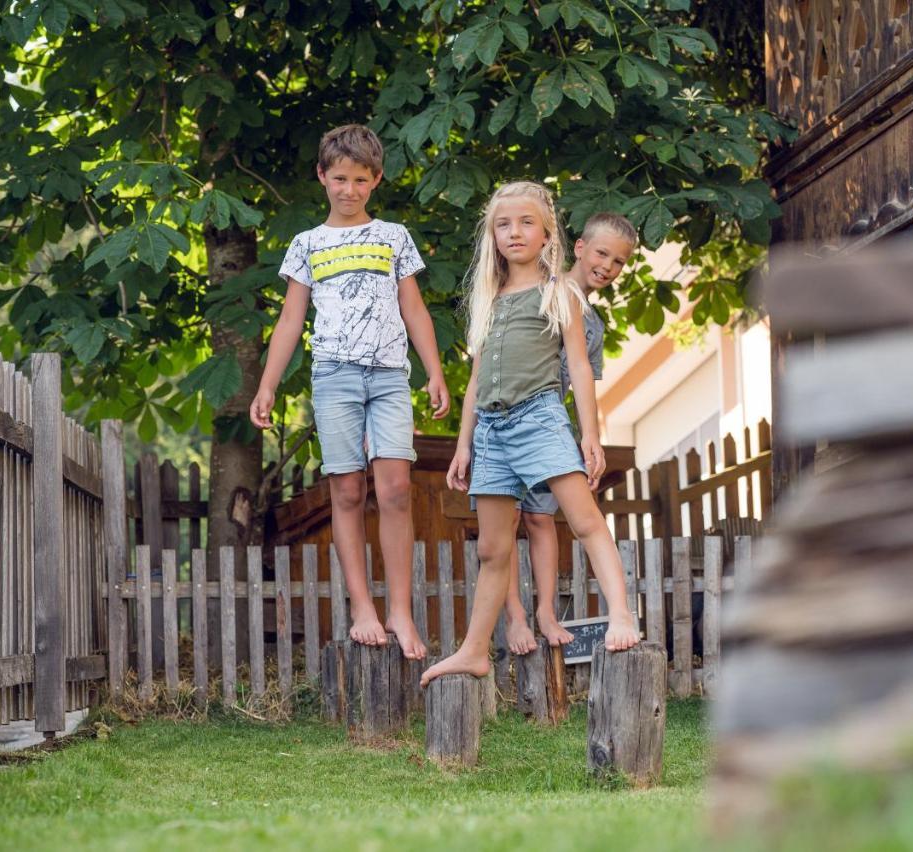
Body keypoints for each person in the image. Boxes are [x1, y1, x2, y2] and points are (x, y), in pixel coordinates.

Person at [421, 182, 640, 687]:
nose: (514, 232)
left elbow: (580, 368)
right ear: (492, 235)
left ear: (547, 236)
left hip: (540, 418)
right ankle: (475, 651)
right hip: (493, 433)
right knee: (493, 550)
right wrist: (463, 444)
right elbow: (476, 380)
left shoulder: (559, 291)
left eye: (525, 223)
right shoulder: (488, 298)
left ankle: (622, 615)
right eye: (503, 224)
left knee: (584, 520)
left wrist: (590, 434)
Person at [249, 124, 449, 660]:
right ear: (322, 176)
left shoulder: (393, 237)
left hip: (388, 377)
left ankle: (401, 611)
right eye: (339, 178)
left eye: (361, 180)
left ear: (376, 180)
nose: (349, 189)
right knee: (346, 493)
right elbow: (291, 320)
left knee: (395, 491)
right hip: (334, 376)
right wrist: (267, 385)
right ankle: (363, 606)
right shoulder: (307, 244)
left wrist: (433, 370)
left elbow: (414, 309)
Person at [502, 213, 639, 656]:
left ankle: (544, 611)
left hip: (549, 431)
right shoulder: (537, 292)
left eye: (619, 262)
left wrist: (588, 438)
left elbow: (584, 382)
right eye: (602, 253)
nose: (608, 266)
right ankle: (515, 618)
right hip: (507, 423)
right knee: (504, 524)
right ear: (579, 248)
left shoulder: (593, 325)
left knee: (542, 520)